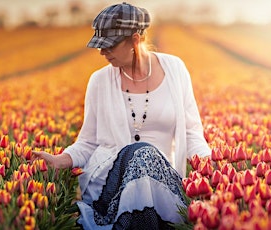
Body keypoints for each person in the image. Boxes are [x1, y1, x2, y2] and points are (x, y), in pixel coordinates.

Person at [31, 2, 211, 229]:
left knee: (144, 155)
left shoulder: (175, 70)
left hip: (162, 184)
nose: (102, 52)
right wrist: (60, 160)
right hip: (111, 182)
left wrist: (213, 167)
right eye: (100, 45)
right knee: (140, 153)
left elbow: (192, 132)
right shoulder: (100, 81)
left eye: (109, 45)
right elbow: (87, 142)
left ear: (135, 40)